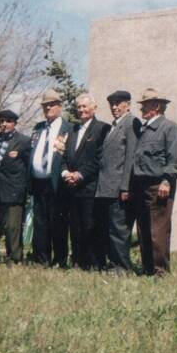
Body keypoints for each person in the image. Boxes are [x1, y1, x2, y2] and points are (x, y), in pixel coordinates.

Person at [130, 89, 177, 276]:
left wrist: (167, 182)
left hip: (158, 186)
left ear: (157, 106)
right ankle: (147, 269)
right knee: (143, 229)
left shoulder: (169, 128)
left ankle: (161, 272)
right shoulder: (144, 130)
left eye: (145, 105)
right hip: (141, 186)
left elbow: (174, 159)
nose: (141, 108)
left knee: (157, 231)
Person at [62, 93, 110, 270]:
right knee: (75, 227)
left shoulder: (102, 129)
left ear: (94, 108)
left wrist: (81, 175)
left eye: (84, 106)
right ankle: (77, 261)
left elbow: (99, 158)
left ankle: (94, 264)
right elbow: (64, 156)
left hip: (90, 187)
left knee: (91, 226)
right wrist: (66, 173)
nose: (81, 110)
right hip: (71, 187)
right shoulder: (72, 130)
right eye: (79, 107)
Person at [95, 90, 140, 272]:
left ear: (128, 104)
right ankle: (113, 264)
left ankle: (122, 267)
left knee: (119, 230)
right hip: (106, 187)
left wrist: (125, 187)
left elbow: (130, 157)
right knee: (109, 229)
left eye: (118, 103)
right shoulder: (115, 125)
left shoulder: (131, 123)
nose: (114, 107)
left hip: (119, 188)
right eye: (112, 104)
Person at [0, 109, 32, 264]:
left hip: (13, 191)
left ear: (14, 123)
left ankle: (14, 258)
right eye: (1, 121)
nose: (4, 124)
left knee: (12, 227)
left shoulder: (23, 141)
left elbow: (28, 166)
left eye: (8, 121)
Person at [30, 89, 71, 267]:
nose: (48, 108)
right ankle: (41, 259)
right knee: (40, 223)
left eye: (52, 105)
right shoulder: (38, 129)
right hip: (38, 183)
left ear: (60, 106)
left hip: (58, 184)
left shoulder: (68, 129)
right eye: (45, 105)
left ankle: (60, 260)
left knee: (58, 223)